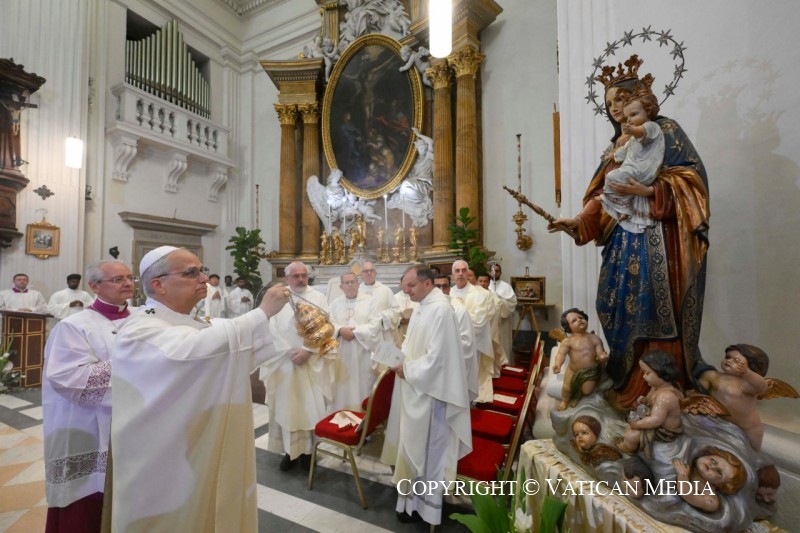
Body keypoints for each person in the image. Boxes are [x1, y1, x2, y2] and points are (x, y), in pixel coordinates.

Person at [548, 54, 710, 409]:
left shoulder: (664, 131)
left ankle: (660, 392)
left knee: (654, 308)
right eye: (610, 105)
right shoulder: (616, 149)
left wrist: (649, 191)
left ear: (640, 99)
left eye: (622, 99)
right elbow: (602, 197)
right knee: (611, 304)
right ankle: (626, 385)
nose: (617, 109)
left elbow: (692, 181)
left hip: (659, 239)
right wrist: (578, 222)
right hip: (622, 240)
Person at [110, 246, 290, 532]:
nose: (204, 278)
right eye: (191, 273)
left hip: (194, 448)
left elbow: (219, 336)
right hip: (163, 459)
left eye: (202, 270)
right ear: (158, 285)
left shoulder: (186, 318)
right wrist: (262, 312)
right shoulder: (140, 327)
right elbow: (190, 351)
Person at [42, 260, 135, 533]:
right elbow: (68, 376)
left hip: (134, 422)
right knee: (88, 500)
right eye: (117, 279)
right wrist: (135, 364)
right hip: (90, 425)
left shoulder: (143, 317)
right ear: (94, 286)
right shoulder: (74, 326)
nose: (127, 283)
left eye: (129, 277)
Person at [391, 265, 471, 526]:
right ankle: (408, 502)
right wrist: (398, 359)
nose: (407, 291)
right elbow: (409, 342)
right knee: (413, 448)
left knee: (430, 452)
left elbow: (438, 359)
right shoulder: (421, 306)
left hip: (432, 394)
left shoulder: (441, 310)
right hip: (415, 389)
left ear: (427, 284)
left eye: (411, 285)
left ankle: (426, 509)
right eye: (405, 286)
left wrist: (408, 369)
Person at [261, 261, 335, 472]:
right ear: (287, 278)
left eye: (304, 275)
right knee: (288, 408)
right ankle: (290, 452)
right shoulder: (278, 297)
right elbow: (270, 327)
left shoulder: (318, 297)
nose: (301, 279)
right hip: (284, 363)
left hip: (311, 363)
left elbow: (327, 326)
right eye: (296, 276)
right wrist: (287, 351)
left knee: (311, 409)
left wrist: (307, 350)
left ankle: (309, 453)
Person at [599, 89, 665, 233]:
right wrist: (612, 156)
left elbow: (643, 132)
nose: (614, 108)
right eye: (609, 104)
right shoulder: (622, 142)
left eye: (618, 100)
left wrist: (649, 191)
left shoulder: (654, 127)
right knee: (612, 178)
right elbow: (624, 150)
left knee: (614, 177)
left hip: (643, 174)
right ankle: (623, 207)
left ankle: (623, 207)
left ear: (648, 111)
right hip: (631, 173)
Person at [697, 344, 769, 451]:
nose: (729, 361)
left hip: (749, 429)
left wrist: (747, 373)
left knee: (750, 453)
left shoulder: (747, 385)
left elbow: (762, 386)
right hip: (717, 423)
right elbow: (698, 392)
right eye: (728, 357)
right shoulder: (712, 376)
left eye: (737, 361)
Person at [329, 272, 382, 411]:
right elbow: (329, 324)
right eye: (346, 282)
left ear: (358, 284)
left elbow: (375, 325)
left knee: (362, 384)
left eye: (353, 282)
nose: (350, 285)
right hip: (341, 353)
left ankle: (362, 415)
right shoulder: (334, 304)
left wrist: (355, 332)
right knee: (342, 386)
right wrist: (340, 330)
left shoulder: (370, 301)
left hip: (362, 352)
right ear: (341, 286)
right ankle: (340, 412)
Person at [619, 351, 684, 458]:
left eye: (647, 373)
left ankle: (627, 452)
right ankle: (628, 444)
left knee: (631, 436)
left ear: (661, 372)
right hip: (655, 422)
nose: (643, 376)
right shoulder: (656, 387)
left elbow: (656, 420)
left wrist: (637, 425)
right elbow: (650, 401)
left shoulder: (666, 397)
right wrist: (645, 400)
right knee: (628, 428)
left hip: (664, 431)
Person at [450, 260, 497, 403]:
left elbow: (480, 321)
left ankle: (469, 405)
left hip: (471, 344)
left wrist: (461, 312)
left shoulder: (478, 294)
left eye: (464, 270)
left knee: (469, 378)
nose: (460, 274)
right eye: (457, 271)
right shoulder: (449, 292)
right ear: (452, 275)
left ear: (468, 273)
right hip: (450, 344)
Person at [552, 308, 609, 410]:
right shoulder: (568, 341)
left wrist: (602, 358)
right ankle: (565, 401)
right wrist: (558, 364)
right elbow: (561, 354)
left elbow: (600, 353)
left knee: (587, 391)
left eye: (581, 318)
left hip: (590, 372)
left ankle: (584, 400)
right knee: (566, 388)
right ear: (568, 327)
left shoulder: (595, 339)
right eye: (574, 320)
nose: (579, 320)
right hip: (573, 370)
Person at [435, 273, 478, 402]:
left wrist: (440, 350)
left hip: (452, 367)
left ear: (450, 288)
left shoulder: (459, 310)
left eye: (445, 286)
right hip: (433, 368)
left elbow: (466, 342)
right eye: (437, 287)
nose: (441, 290)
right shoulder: (426, 307)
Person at [671, 446, 747, 513]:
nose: (712, 466)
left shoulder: (711, 500)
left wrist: (682, 475)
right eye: (713, 461)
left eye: (719, 472)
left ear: (720, 485)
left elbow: (689, 496)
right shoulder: (689, 461)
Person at [359, 261, 401, 345]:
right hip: (363, 336)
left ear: (375, 273)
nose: (369, 273)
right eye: (366, 271)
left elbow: (396, 310)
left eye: (371, 270)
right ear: (361, 274)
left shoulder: (385, 290)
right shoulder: (357, 291)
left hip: (383, 334)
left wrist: (382, 319)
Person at [487, 262, 518, 367]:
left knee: (503, 343)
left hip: (503, 323)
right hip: (490, 323)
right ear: (489, 272)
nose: (494, 273)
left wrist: (500, 300)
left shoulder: (506, 286)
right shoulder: (486, 285)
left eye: (497, 271)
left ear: (501, 272)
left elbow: (512, 302)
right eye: (492, 271)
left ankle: (504, 367)